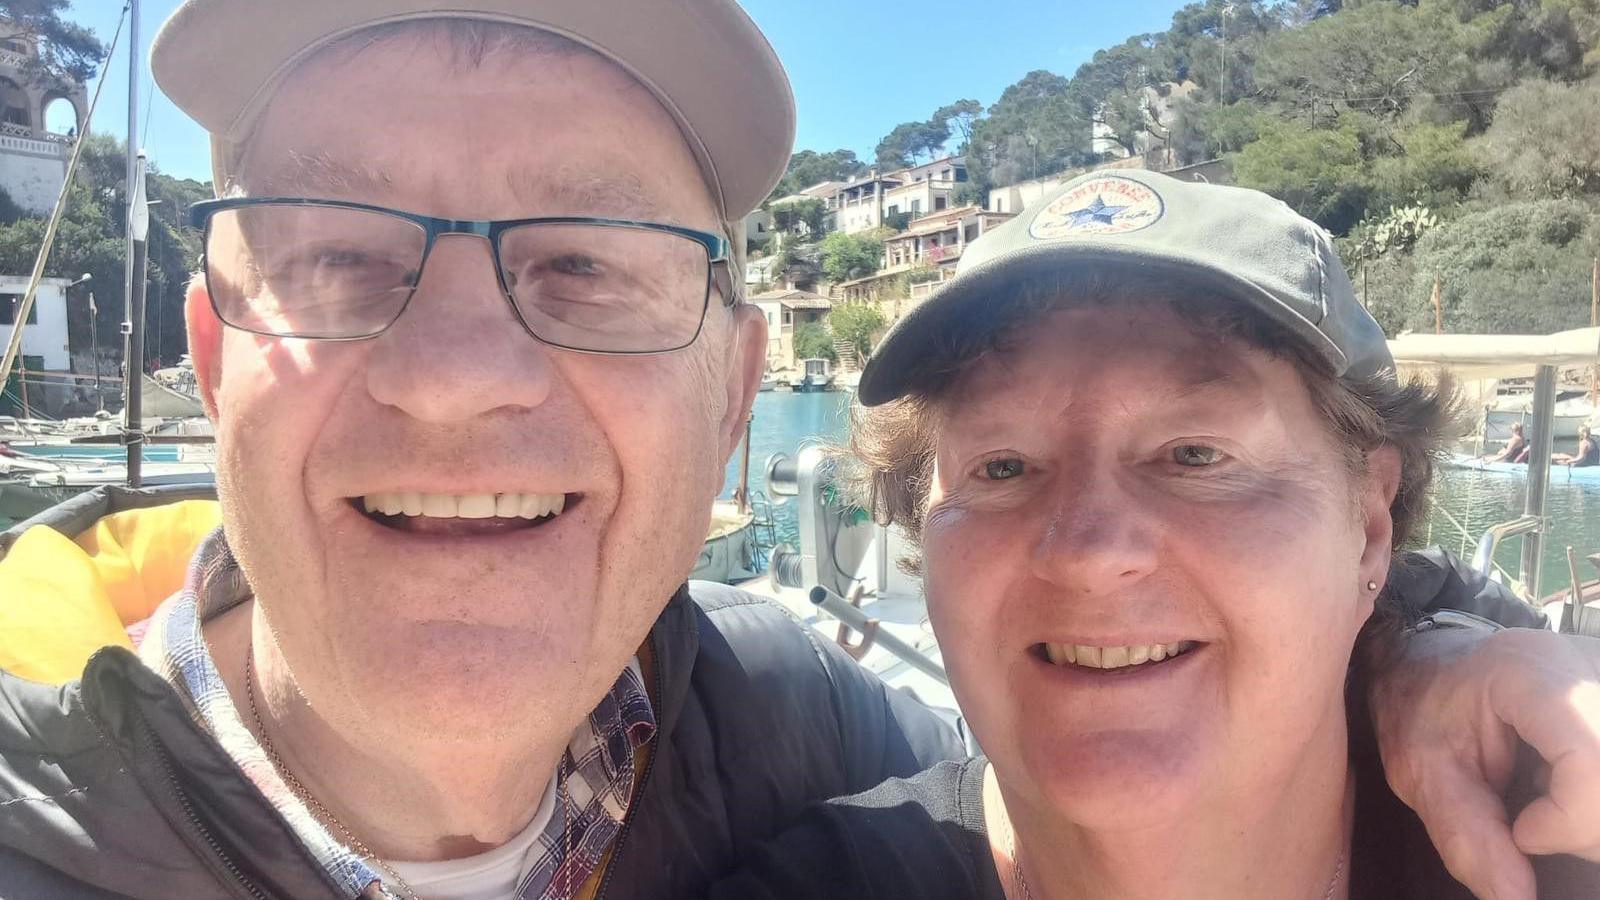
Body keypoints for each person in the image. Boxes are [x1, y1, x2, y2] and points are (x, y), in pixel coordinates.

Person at [0, 6, 1597, 900]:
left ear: (735, 386)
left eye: (586, 264)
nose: (457, 377)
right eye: (342, 257)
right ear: (212, 362)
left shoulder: (768, 729)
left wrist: (1423, 653)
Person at [710, 172, 1600, 900]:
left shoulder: (1554, 847)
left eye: (1195, 453)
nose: (1088, 552)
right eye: (1004, 467)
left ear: (1369, 527)